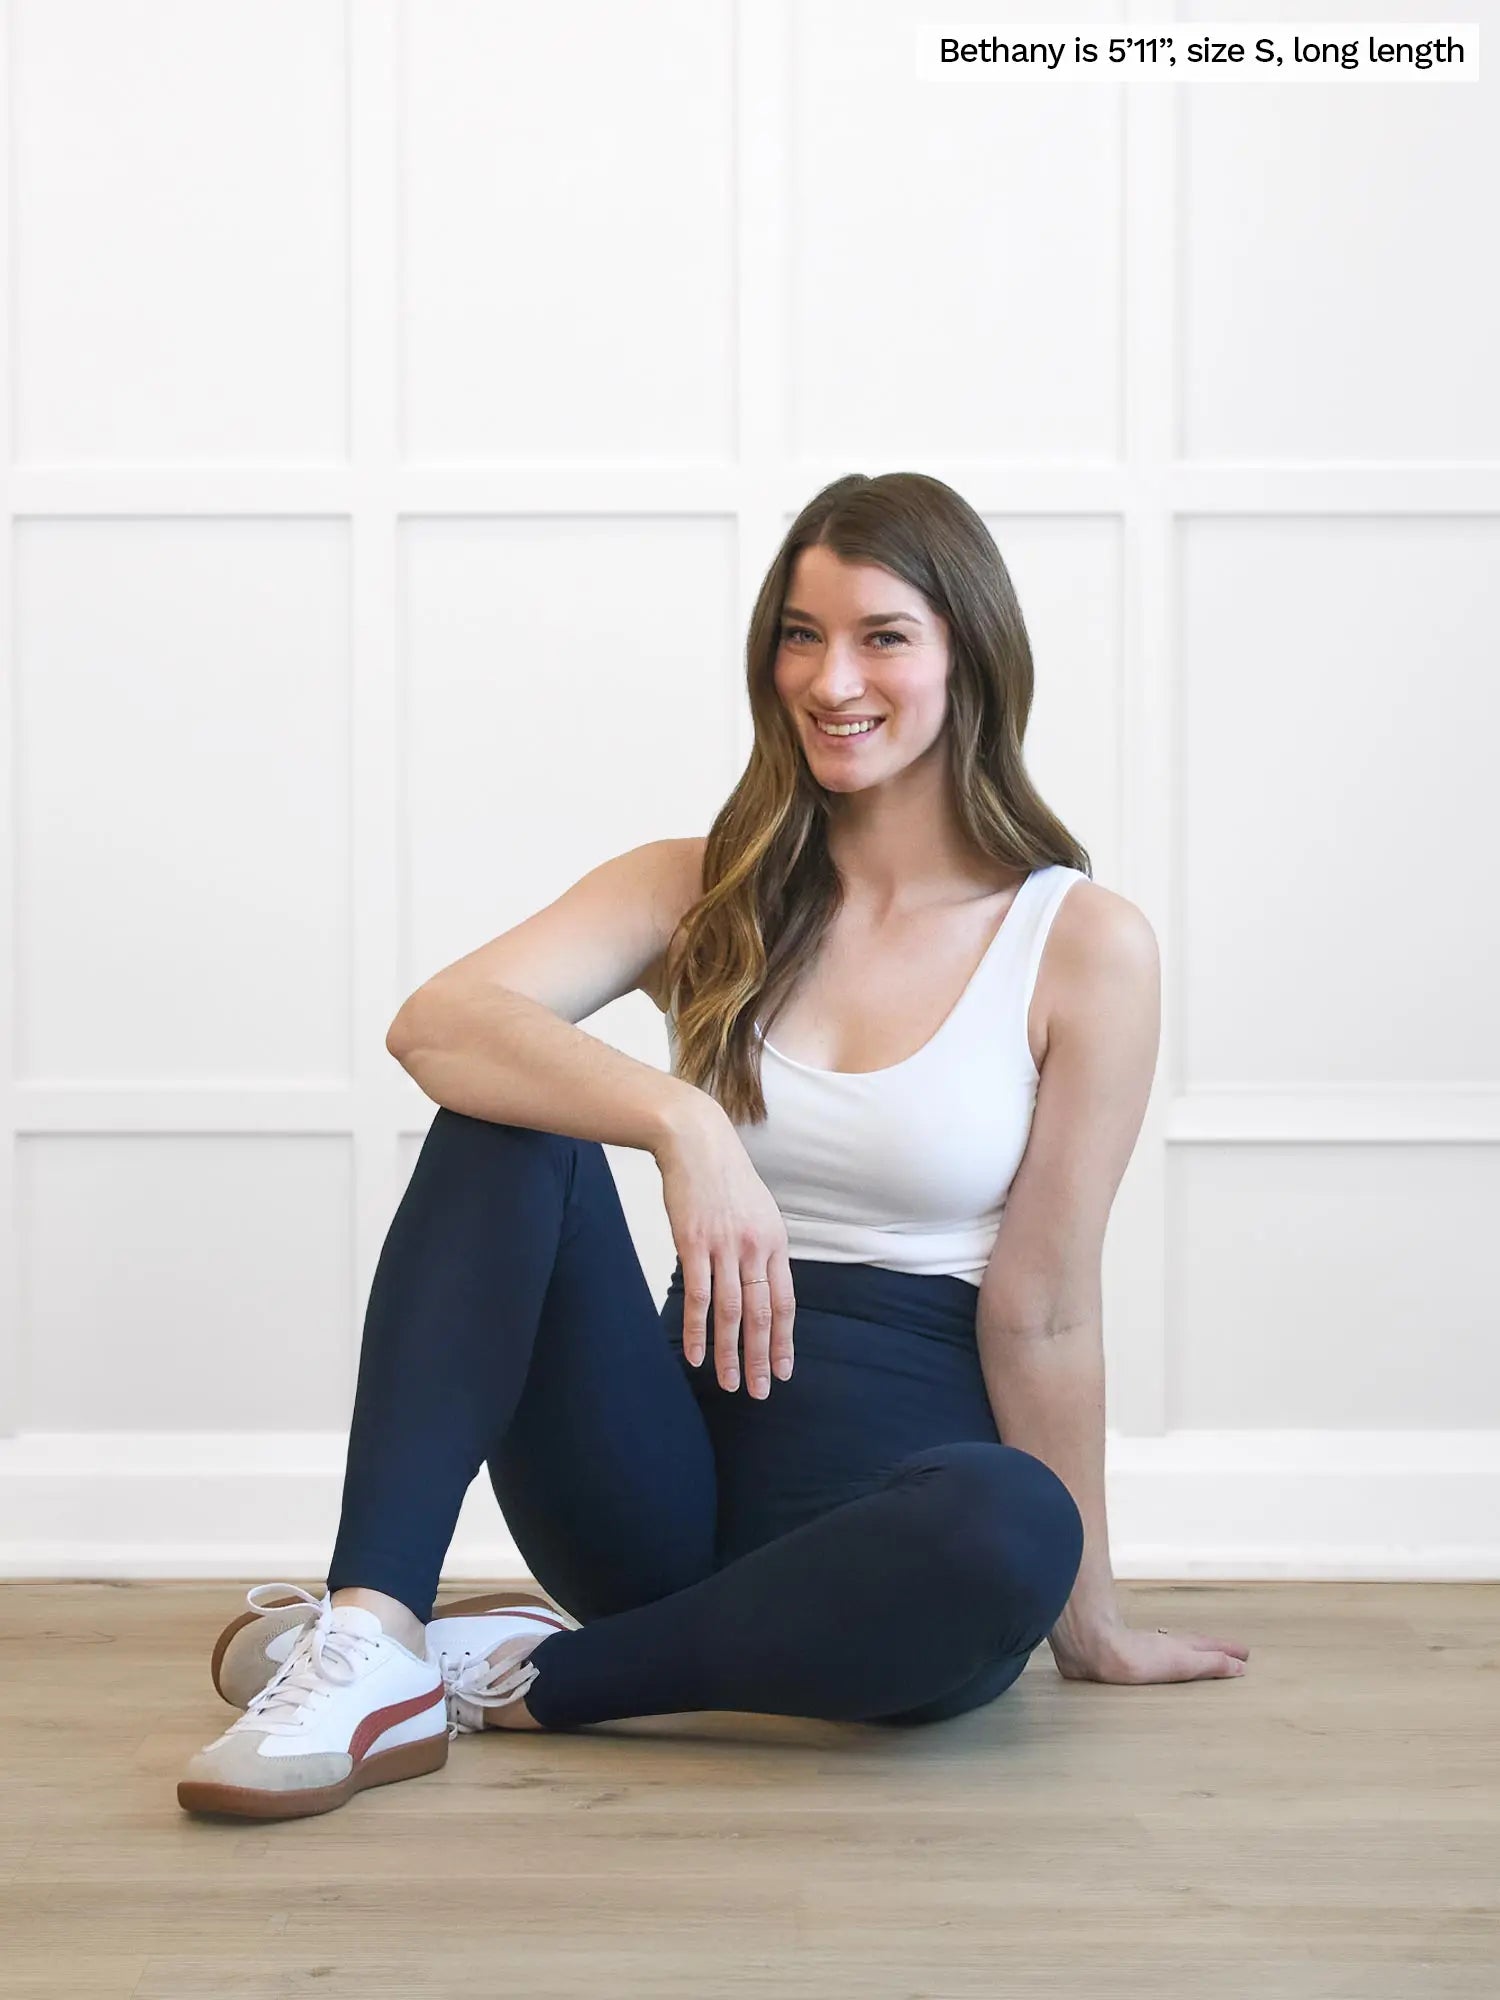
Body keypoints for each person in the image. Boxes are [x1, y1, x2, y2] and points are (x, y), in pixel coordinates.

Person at [177, 470, 1248, 1822]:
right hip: (655, 1498)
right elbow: (438, 1023)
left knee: (1017, 1524)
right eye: (800, 635)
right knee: (508, 1121)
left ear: (967, 653)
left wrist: (1087, 1622)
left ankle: (525, 1680)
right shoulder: (702, 887)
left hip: (892, 1544)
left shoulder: (1081, 944)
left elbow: (1043, 1312)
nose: (831, 676)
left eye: (881, 635)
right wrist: (679, 1121)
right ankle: (375, 1631)